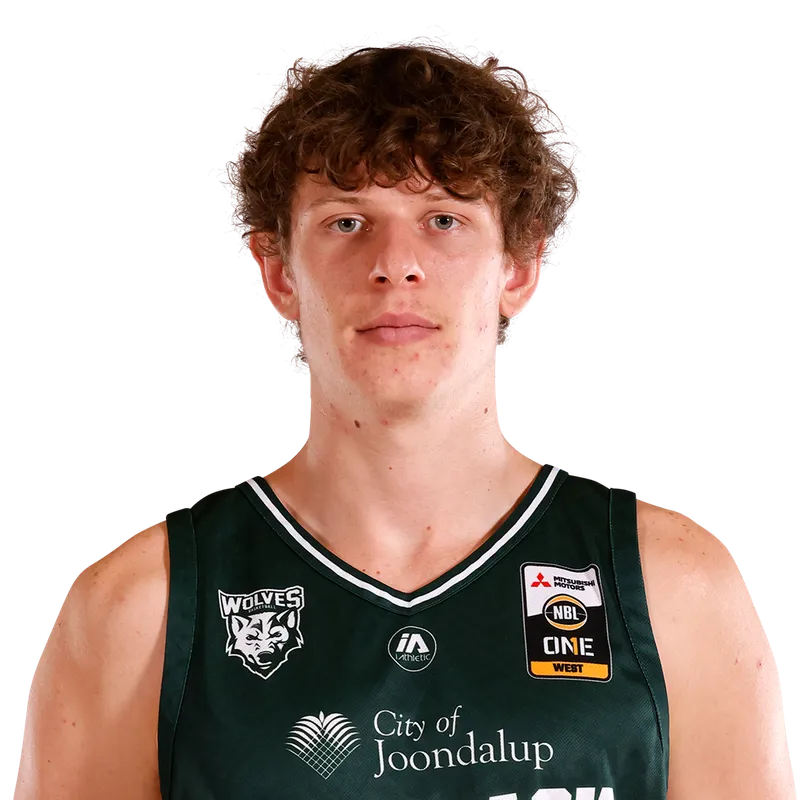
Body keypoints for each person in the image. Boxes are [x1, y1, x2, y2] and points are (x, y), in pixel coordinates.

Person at [14, 38, 795, 800]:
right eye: (347, 222)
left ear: (520, 267)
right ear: (278, 273)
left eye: (444, 220)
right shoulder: (139, 607)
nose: (395, 264)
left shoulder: (674, 587)